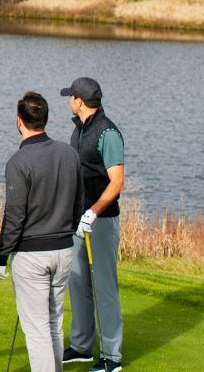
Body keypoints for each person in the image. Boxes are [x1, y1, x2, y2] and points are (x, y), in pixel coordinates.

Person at [0, 92, 82, 372]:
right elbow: (78, 204)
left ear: (19, 122)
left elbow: (15, 217)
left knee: (38, 330)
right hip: (64, 250)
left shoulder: (18, 162)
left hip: (32, 256)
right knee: (54, 323)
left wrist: (0, 257)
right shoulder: (69, 153)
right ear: (46, 119)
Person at [61, 78, 125, 372]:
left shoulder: (107, 133)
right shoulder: (80, 128)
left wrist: (93, 213)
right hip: (78, 220)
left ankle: (112, 357)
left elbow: (117, 182)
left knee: (104, 288)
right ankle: (82, 346)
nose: (69, 101)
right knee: (78, 281)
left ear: (79, 100)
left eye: (70, 97)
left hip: (100, 221)